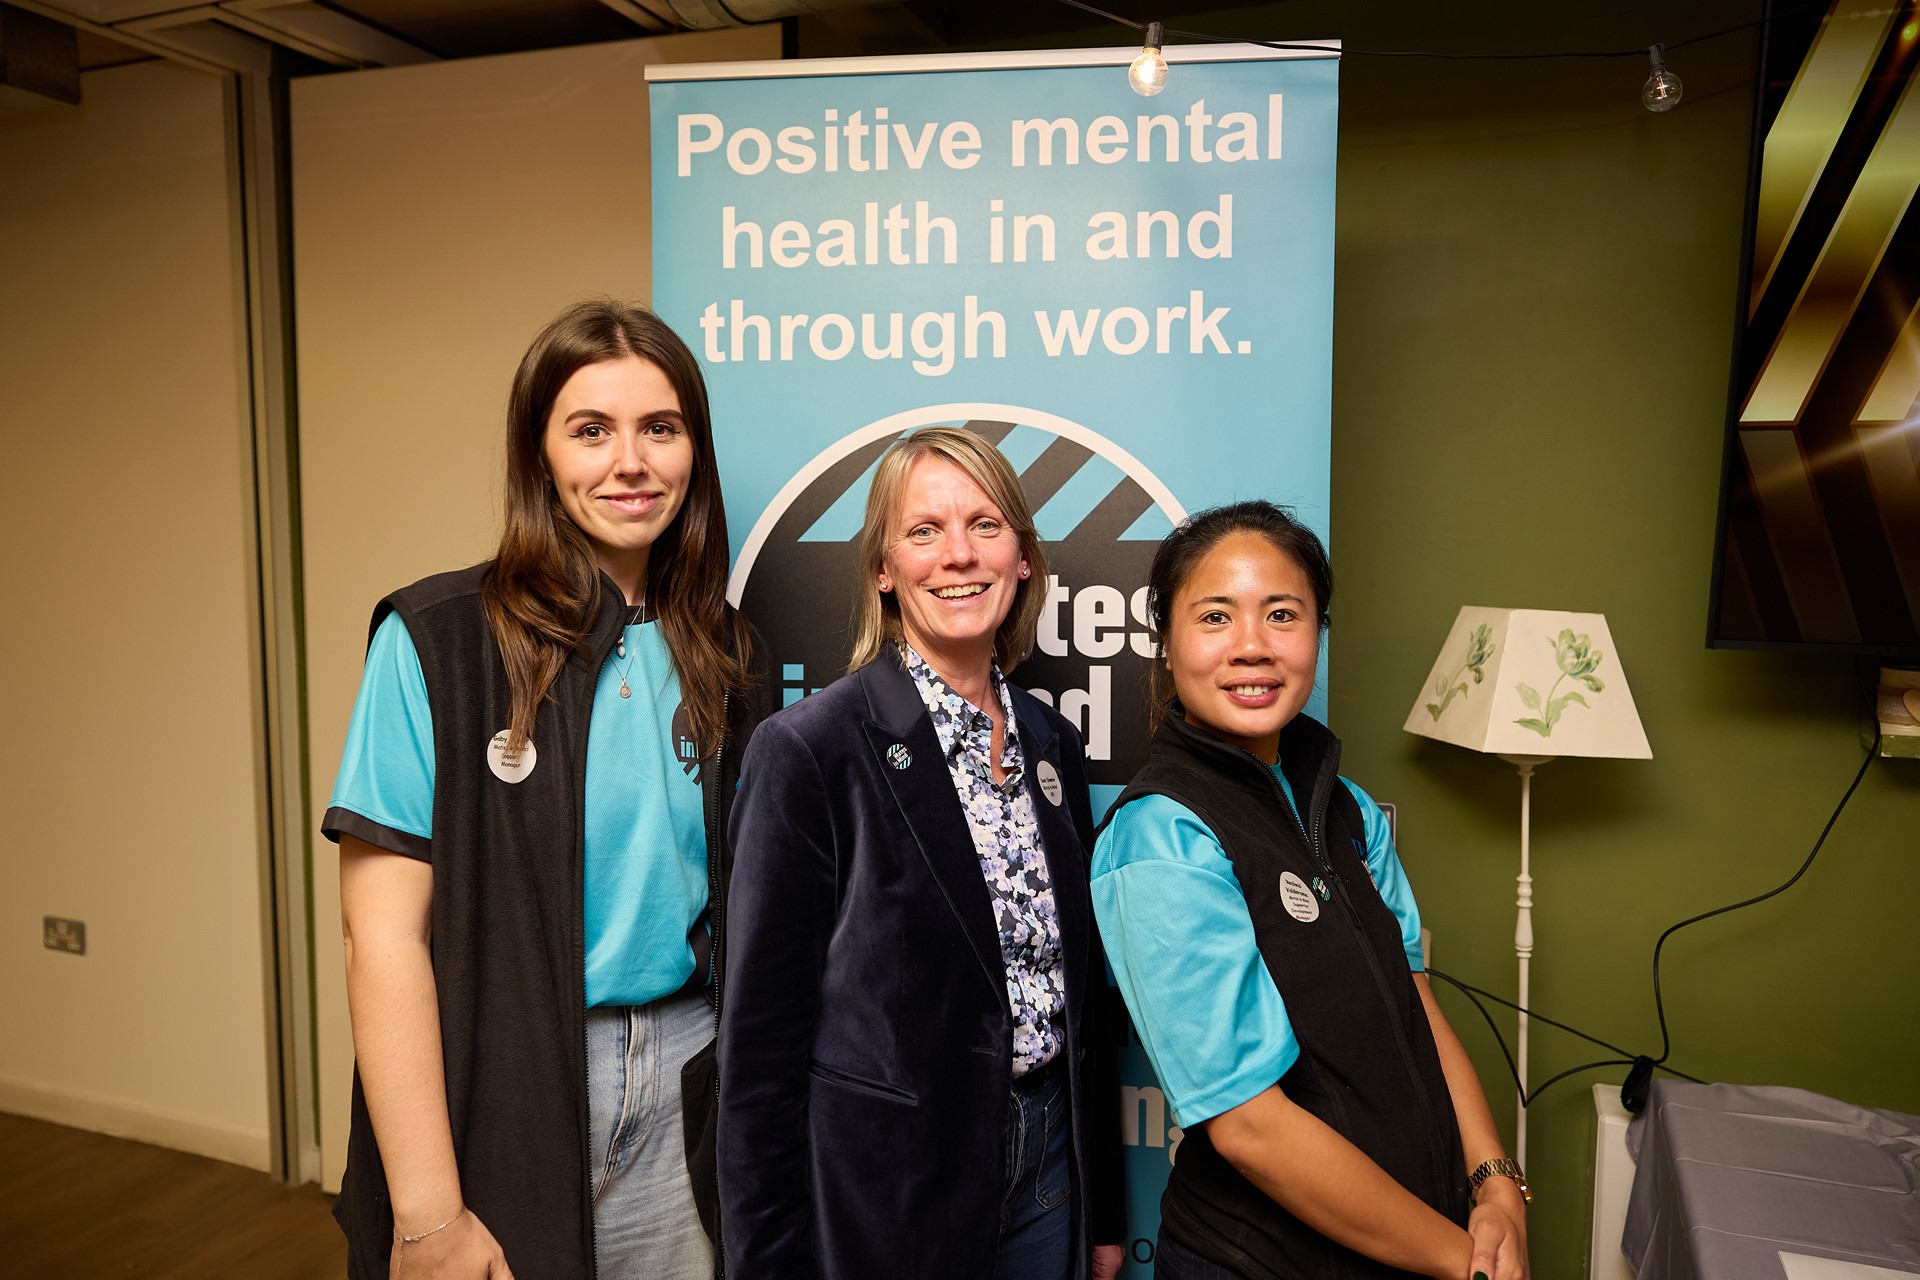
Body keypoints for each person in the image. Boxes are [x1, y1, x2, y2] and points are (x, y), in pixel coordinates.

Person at [326, 299, 763, 1280]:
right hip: (505, 1080)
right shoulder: (436, 642)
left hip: (688, 1070)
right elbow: (381, 937)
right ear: (541, 453)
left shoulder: (727, 648)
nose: (631, 462)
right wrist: (431, 1214)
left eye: (661, 427)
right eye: (591, 430)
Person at [719, 427, 1126, 1280]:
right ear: (882, 568)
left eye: (984, 525)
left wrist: (1104, 1209)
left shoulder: (1050, 742)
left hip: (1049, 1172)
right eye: (924, 531)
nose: (958, 555)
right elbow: (758, 1046)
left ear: (1022, 557)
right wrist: (766, 1263)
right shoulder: (810, 749)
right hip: (893, 1189)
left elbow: (1081, 1003)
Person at [1091, 501, 1530, 1280]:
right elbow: (1250, 1126)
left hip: (1419, 1243)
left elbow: (1415, 1003)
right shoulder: (1160, 837)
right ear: (1166, 642)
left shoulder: (1348, 808)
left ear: (1318, 634)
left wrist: (1496, 1188)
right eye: (1216, 616)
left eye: (1283, 614)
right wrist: (1467, 1263)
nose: (1252, 647)